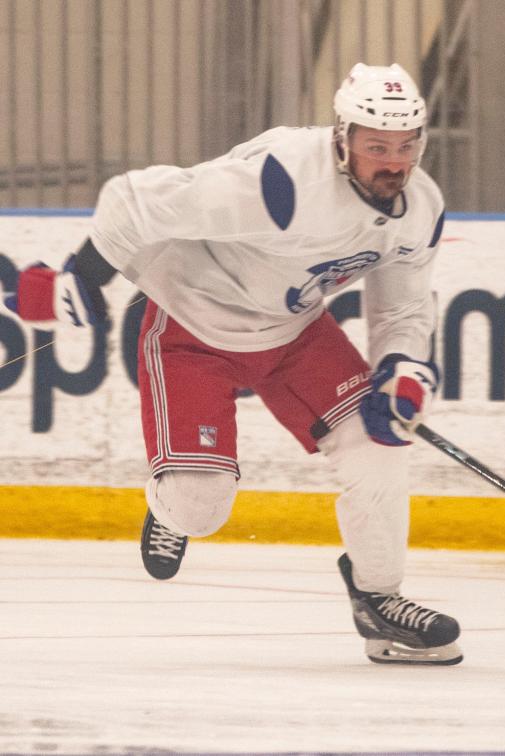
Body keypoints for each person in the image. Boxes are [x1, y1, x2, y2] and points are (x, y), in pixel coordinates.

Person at [2, 63, 462, 666]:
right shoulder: (281, 183)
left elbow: (402, 305)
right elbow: (135, 199)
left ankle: (378, 601)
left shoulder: (419, 206)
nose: (394, 162)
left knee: (380, 447)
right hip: (193, 325)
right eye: (377, 146)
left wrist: (403, 367)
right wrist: (84, 273)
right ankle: (169, 504)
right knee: (200, 508)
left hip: (296, 334)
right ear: (342, 138)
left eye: (407, 146)